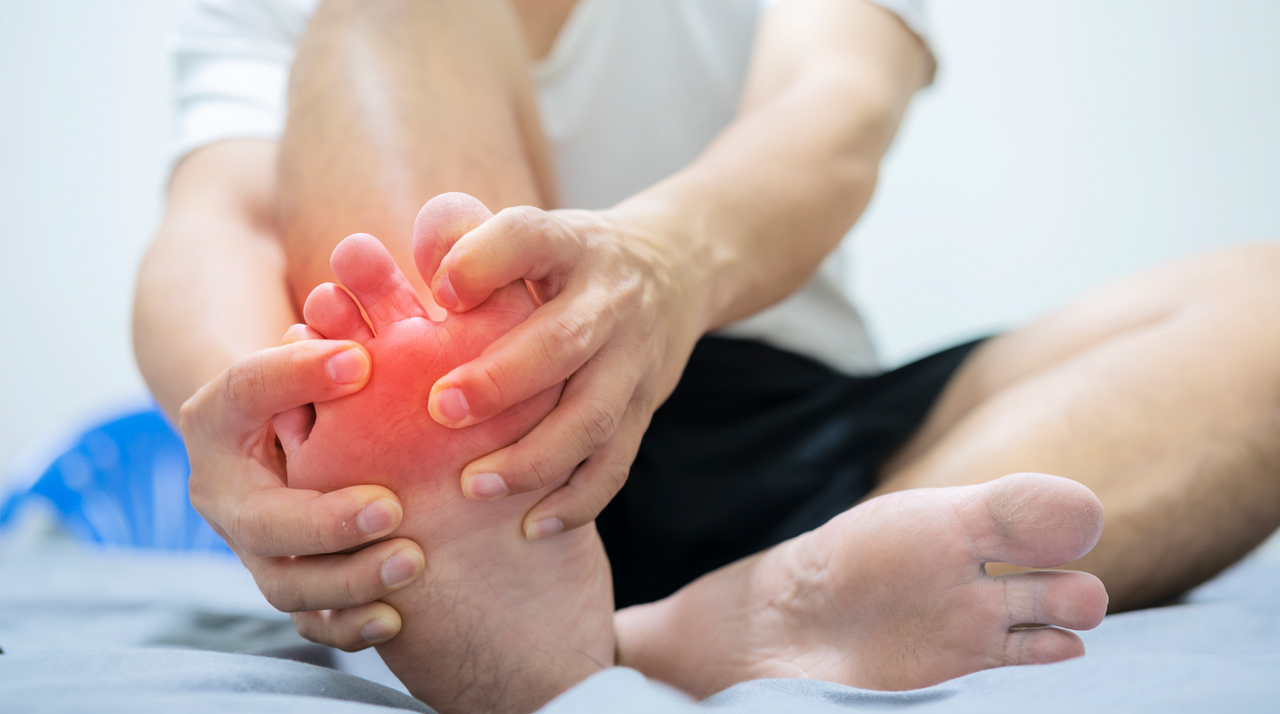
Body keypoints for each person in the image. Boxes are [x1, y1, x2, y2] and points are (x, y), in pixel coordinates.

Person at [133, 0, 1280, 710]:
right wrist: (241, 412)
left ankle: (746, 611)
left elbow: (828, 112)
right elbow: (217, 220)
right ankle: (554, 627)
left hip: (809, 434)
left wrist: (662, 260)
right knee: (391, 12)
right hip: (480, 476)